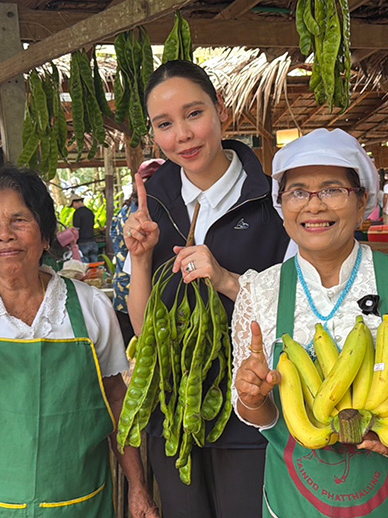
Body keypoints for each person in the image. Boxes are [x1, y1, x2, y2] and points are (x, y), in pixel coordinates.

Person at [0, 167, 158, 518]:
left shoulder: (90, 306)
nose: (4, 235)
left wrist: (138, 488)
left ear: (46, 235)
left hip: (80, 505)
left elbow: (116, 401)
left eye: (19, 220)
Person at [231, 128, 388, 517]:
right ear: (282, 205)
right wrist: (252, 397)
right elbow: (259, 418)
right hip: (297, 505)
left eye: (332, 189)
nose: (314, 206)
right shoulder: (258, 293)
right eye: (298, 192)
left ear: (363, 199)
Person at [123, 60, 291, 518]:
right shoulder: (150, 203)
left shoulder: (275, 201)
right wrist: (141, 259)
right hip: (174, 417)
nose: (183, 135)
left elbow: (300, 309)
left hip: (251, 413)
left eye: (194, 113)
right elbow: (142, 326)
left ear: (221, 109)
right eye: (165, 124)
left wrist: (227, 280)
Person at [110, 159, 164, 346]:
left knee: (129, 351)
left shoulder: (122, 211)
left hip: (122, 290)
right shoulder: (149, 214)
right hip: (143, 294)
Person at [72, 194, 98, 263]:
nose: (73, 207)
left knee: (86, 267)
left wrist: (73, 242)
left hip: (83, 243)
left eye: (73, 205)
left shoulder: (77, 213)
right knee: (95, 266)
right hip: (93, 242)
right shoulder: (90, 212)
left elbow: (76, 230)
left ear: (76, 202)